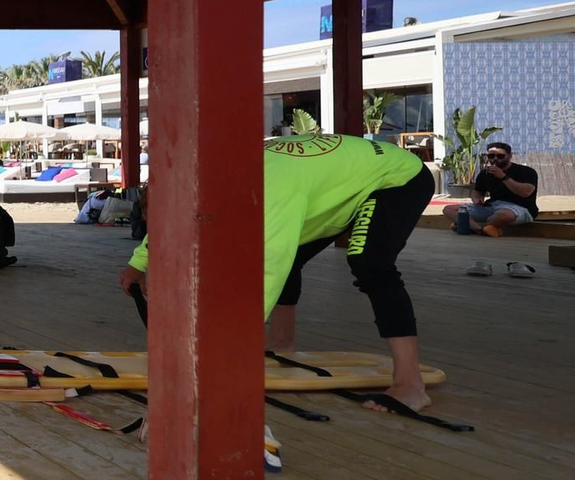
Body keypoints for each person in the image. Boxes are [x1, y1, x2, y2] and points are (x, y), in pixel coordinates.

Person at [118, 133, 437, 415]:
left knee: (369, 261)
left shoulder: (270, 191)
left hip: (397, 179)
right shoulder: (212, 176)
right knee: (293, 253)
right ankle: (283, 342)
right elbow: (171, 217)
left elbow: (269, 267)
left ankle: (411, 384)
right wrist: (141, 262)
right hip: (334, 186)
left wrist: (231, 348)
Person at [456, 141, 538, 236]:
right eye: (491, 156)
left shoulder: (526, 171)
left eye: (500, 156)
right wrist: (477, 200)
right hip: (492, 207)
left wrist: (503, 177)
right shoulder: (485, 173)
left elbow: (526, 192)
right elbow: (477, 192)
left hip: (520, 208)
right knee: (450, 209)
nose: (495, 159)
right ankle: (478, 229)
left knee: (503, 215)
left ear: (510, 156)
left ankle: (471, 226)